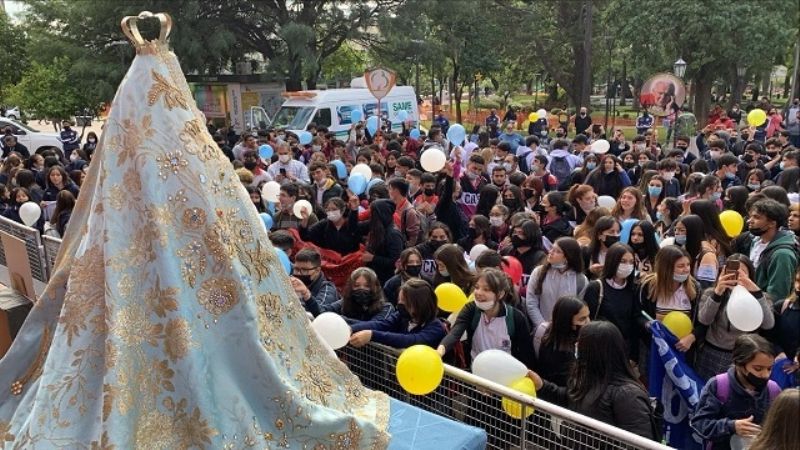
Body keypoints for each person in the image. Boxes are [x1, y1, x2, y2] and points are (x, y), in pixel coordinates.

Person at [528, 321, 657, 440]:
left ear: (594, 351)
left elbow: (641, 442)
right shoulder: (585, 379)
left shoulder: (628, 395)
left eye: (580, 343)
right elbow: (569, 398)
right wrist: (542, 386)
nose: (576, 346)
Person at [691, 334, 780, 450]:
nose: (765, 375)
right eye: (758, 369)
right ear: (739, 364)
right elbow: (700, 424)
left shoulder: (774, 390)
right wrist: (731, 426)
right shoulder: (718, 385)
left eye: (769, 368)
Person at [696, 254, 775, 380]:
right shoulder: (711, 293)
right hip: (713, 352)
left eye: (743, 272)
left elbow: (768, 324)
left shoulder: (761, 297)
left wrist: (756, 292)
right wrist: (718, 292)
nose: (737, 276)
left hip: (746, 356)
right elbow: (704, 320)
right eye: (733, 271)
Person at [437, 268, 534, 368]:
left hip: (504, 377)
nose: (478, 293)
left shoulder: (516, 317)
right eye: (477, 287)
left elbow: (526, 353)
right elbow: (455, 333)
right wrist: (441, 350)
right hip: (475, 373)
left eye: (486, 289)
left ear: (500, 294)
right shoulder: (471, 309)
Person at [638, 245, 703, 357]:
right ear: (666, 268)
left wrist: (692, 337)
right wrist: (648, 325)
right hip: (654, 348)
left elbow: (702, 322)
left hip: (683, 350)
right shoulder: (648, 286)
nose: (686, 269)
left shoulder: (695, 287)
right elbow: (637, 314)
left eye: (688, 265)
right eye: (681, 266)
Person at [581, 243, 641, 361]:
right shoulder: (596, 287)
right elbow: (589, 319)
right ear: (612, 261)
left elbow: (635, 319)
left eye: (631, 262)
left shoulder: (634, 288)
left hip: (624, 350)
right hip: (600, 347)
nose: (627, 265)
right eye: (623, 261)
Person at [350, 278, 445, 349]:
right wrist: (352, 328)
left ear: (419, 303)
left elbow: (410, 340)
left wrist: (372, 335)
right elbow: (382, 324)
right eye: (399, 299)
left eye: (404, 301)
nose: (400, 304)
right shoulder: (401, 316)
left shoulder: (436, 327)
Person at [744, 199, 799, 303]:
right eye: (750, 216)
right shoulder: (755, 241)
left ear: (772, 223)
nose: (749, 221)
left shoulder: (782, 255)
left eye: (756, 217)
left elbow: (777, 295)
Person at [526, 237, 588, 329]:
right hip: (542, 328)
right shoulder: (539, 272)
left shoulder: (581, 280)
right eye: (552, 249)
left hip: (567, 331)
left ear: (568, 256)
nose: (551, 252)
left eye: (558, 251)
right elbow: (531, 302)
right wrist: (542, 325)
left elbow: (579, 309)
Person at [533, 295, 591, 388]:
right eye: (582, 319)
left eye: (588, 316)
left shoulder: (569, 341)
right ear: (567, 321)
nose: (588, 322)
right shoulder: (558, 352)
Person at [353, 197, 404, 285]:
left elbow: (396, 261)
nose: (370, 215)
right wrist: (354, 210)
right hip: (373, 276)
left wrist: (373, 258)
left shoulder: (393, 234)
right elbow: (354, 228)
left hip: (386, 279)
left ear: (381, 214)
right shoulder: (375, 225)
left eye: (373, 213)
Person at [315, 267, 393, 323]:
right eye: (356, 286)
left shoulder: (386, 308)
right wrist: (307, 296)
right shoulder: (344, 303)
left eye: (367, 286)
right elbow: (322, 311)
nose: (361, 289)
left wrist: (340, 319)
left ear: (375, 287)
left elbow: (373, 326)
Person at [290, 248, 340, 315]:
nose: (299, 273)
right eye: (296, 269)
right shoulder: (291, 281)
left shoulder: (327, 288)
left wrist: (305, 294)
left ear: (317, 271)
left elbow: (320, 311)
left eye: (304, 270)